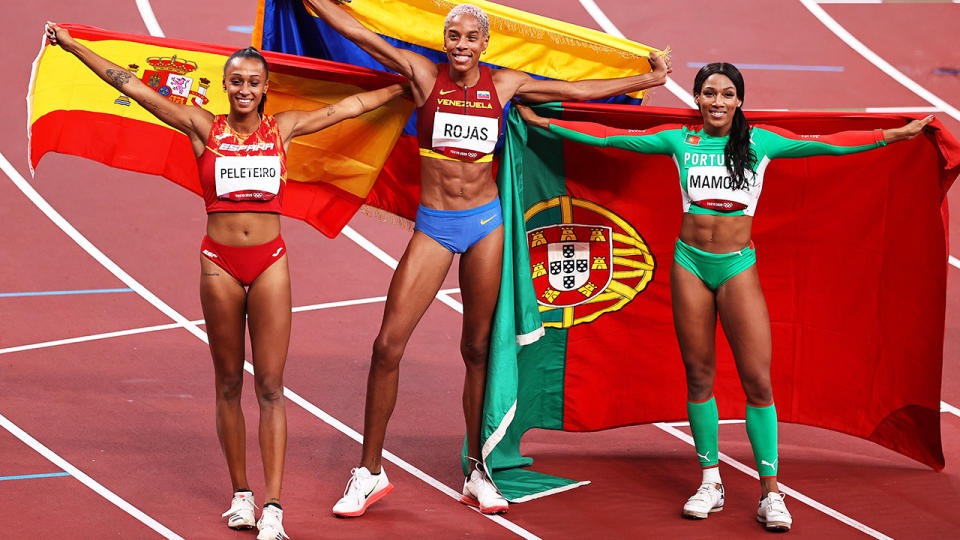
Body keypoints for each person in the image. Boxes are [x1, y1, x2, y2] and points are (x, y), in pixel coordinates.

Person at [515, 62, 932, 532]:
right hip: (689, 265)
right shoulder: (679, 141)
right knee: (699, 376)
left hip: (737, 267)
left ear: (739, 101)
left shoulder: (762, 143)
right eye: (709, 93)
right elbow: (609, 139)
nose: (717, 101)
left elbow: (829, 145)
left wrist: (892, 136)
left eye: (727, 94)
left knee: (758, 382)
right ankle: (710, 481)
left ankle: (771, 493)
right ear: (697, 99)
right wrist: (544, 124)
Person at [301, 0, 670, 517]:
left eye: (470, 37)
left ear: (484, 44)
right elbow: (359, 32)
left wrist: (644, 81)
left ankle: (477, 469)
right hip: (434, 225)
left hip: (485, 227)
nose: (460, 44)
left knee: (476, 349)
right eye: (453, 34)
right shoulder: (424, 75)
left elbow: (574, 90)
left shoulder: (505, 87)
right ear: (444, 39)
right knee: (387, 346)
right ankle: (369, 472)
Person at [45, 22, 407, 539]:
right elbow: (131, 85)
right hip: (218, 262)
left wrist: (406, 86)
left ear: (265, 88)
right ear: (225, 85)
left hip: (271, 264)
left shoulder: (282, 129)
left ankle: (275, 509)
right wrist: (73, 45)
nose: (243, 90)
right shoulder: (201, 127)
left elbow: (348, 108)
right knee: (229, 382)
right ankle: (241, 495)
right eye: (235, 81)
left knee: (271, 386)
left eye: (253, 82)